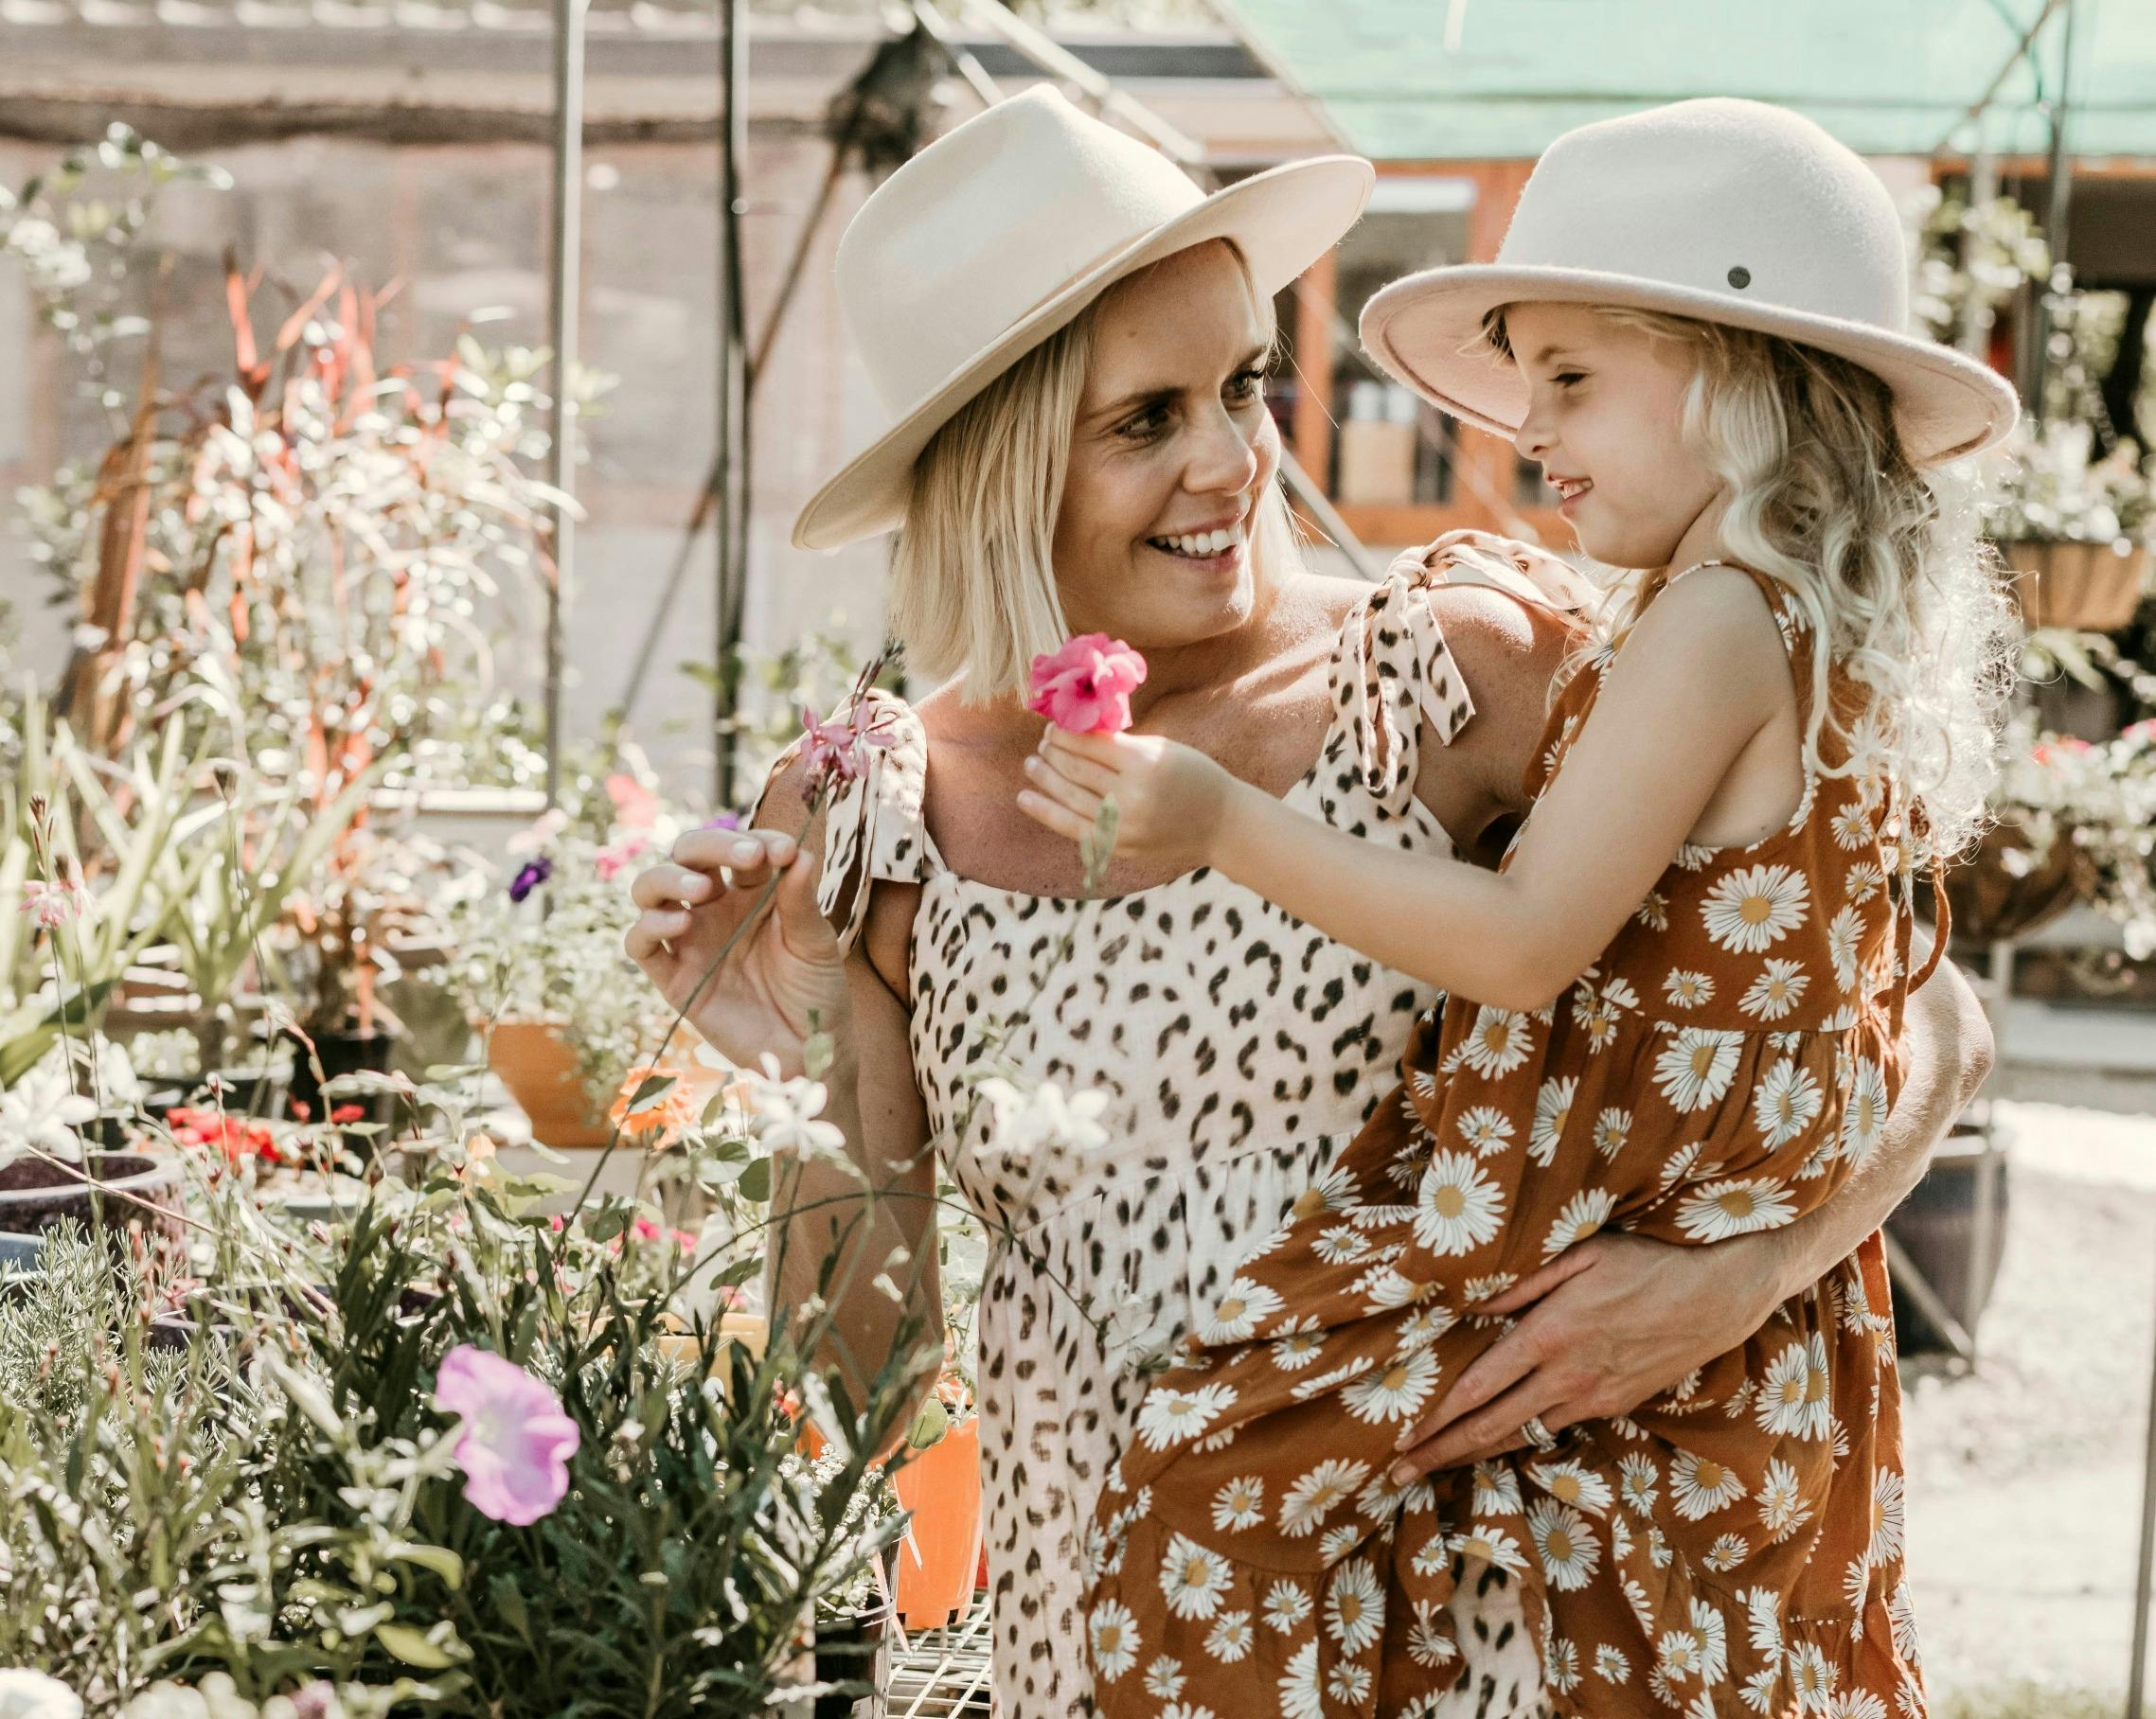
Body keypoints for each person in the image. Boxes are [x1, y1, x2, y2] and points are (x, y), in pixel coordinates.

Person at [622, 89, 1991, 1718]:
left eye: (1244, 383)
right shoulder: (866, 814)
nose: (1231, 460)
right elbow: (854, 1384)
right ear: (988, 464)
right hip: (1117, 1615)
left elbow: (1907, 1014)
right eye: (1144, 419)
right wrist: (806, 1051)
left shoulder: (1454, 672)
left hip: (1488, 1615)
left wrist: (1752, 1268)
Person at [1023, 99, 2019, 1716]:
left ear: (1740, 375)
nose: (1527, 431)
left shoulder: (1711, 621)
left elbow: (1523, 942)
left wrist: (1218, 822)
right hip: (1702, 1275)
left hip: (1545, 1239)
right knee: (1629, 1650)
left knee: (1206, 1475)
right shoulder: (1795, 625)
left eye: (1571, 378)